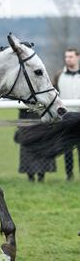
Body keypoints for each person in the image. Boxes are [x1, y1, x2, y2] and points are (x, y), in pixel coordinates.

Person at [53, 48, 80, 181]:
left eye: (71, 56)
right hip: (67, 117)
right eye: (66, 57)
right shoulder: (59, 75)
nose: (68, 59)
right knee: (67, 149)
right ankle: (69, 175)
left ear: (77, 57)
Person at [15, 109, 56, 182]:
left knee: (42, 149)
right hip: (27, 122)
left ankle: (41, 177)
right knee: (27, 151)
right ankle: (31, 178)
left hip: (42, 121)